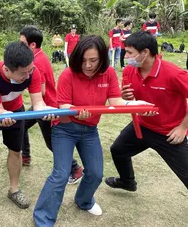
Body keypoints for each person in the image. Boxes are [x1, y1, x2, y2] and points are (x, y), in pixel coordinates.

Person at [33, 35, 151, 226]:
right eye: (83, 60)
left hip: (89, 130)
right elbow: (63, 106)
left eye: (93, 60)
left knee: (96, 173)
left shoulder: (109, 73)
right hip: (64, 128)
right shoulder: (68, 74)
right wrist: (75, 112)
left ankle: (84, 200)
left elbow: (116, 102)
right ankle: (43, 218)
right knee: (61, 174)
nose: (87, 65)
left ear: (102, 58)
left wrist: (136, 104)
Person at [0, 41, 57, 216]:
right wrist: (3, 116)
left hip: (16, 110)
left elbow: (38, 103)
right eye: (22, 74)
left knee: (15, 150)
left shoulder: (33, 72)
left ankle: (14, 190)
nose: (28, 75)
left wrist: (46, 111)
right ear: (7, 69)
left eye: (30, 71)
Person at [105, 31, 188, 195]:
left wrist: (183, 127)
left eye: (130, 52)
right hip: (142, 126)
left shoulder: (174, 73)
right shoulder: (129, 71)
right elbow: (127, 99)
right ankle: (127, 181)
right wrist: (126, 97)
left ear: (145, 52)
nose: (126, 56)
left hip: (170, 133)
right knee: (118, 150)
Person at [19, 26, 84, 184]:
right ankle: (25, 156)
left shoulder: (36, 62)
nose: (19, 45)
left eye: (22, 43)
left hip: (46, 108)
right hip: (41, 105)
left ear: (32, 45)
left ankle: (75, 169)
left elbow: (40, 90)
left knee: (51, 143)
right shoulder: (37, 57)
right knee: (21, 124)